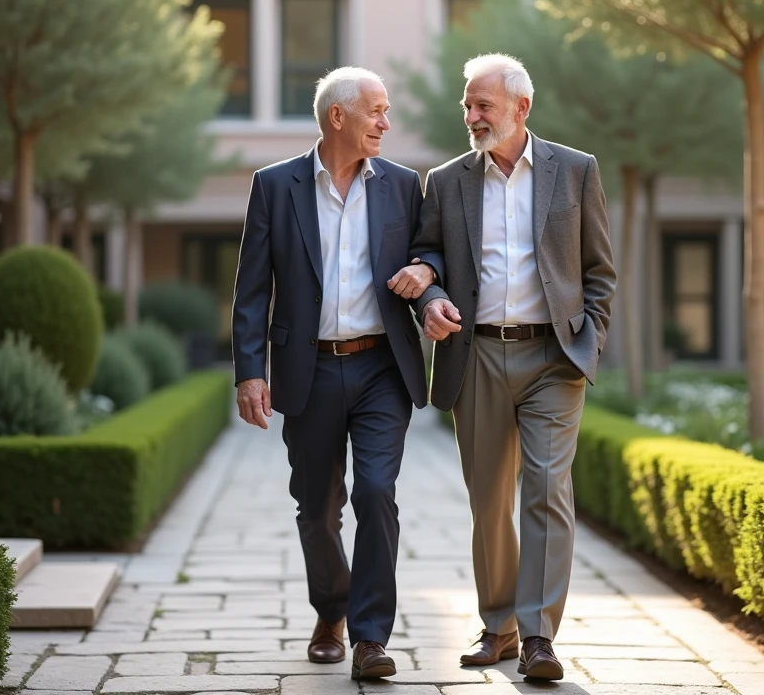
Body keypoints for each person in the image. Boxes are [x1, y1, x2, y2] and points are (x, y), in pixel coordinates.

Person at [405, 54, 616, 681]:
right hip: (477, 355)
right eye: (467, 105)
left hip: (554, 355)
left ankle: (538, 637)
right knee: (489, 498)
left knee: (548, 490)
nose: (471, 116)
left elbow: (599, 269)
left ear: (521, 108)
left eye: (483, 106)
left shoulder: (575, 170)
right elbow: (426, 255)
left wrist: (590, 340)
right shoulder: (445, 181)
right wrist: (428, 297)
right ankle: (497, 627)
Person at [231, 66, 436, 681]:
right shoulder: (275, 185)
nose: (386, 122)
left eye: (388, 111)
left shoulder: (403, 184)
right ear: (337, 117)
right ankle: (331, 613)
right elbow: (251, 288)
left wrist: (425, 272)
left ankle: (371, 638)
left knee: (376, 492)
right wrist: (249, 371)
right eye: (375, 111)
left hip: (381, 365)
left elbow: (432, 250)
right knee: (317, 507)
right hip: (309, 367)